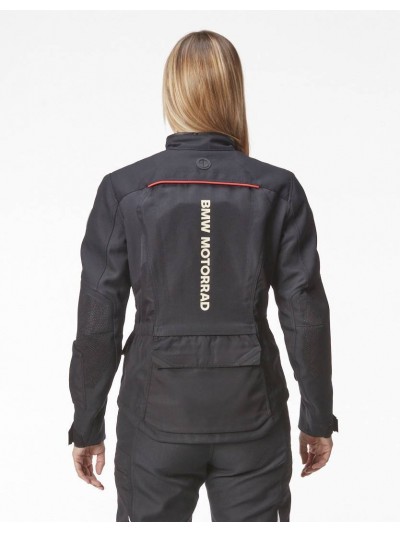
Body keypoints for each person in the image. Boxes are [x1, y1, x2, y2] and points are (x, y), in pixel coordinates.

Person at [68, 29, 338, 522]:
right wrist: (317, 417)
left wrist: (86, 424)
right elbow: (306, 315)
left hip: (154, 418)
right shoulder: (277, 189)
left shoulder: (125, 190)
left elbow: (98, 323)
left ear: (173, 92)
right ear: (234, 92)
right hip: (253, 414)